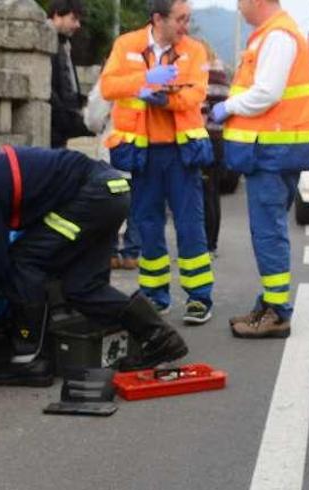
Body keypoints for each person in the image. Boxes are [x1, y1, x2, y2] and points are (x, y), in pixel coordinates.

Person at [0, 146, 189, 387]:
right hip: (113, 189)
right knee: (83, 287)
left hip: (93, 194)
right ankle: (160, 339)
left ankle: (30, 360)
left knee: (24, 260)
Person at [98, 0, 216, 325]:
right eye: (180, 19)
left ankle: (199, 298)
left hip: (181, 153)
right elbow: (109, 87)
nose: (185, 26)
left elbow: (195, 94)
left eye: (188, 19)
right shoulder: (127, 45)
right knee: (148, 226)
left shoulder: (194, 50)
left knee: (190, 225)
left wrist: (163, 98)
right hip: (143, 153)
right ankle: (155, 296)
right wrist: (146, 78)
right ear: (158, 19)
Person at [209, 0, 309, 339]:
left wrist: (225, 107)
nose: (239, 7)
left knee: (268, 232)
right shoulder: (271, 35)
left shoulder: (278, 36)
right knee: (269, 230)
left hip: (273, 151)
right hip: (274, 149)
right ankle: (270, 303)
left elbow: (266, 93)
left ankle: (277, 312)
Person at [83, 81, 141, 270]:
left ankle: (110, 251)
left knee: (111, 202)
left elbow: (94, 117)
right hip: (143, 147)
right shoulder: (151, 67)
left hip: (114, 148)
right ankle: (132, 252)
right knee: (138, 203)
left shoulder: (112, 76)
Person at [196, 39, 229, 256]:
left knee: (205, 192)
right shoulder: (222, 72)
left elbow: (200, 106)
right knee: (212, 191)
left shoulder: (206, 72)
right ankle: (212, 242)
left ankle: (207, 243)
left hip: (205, 136)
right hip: (219, 137)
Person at [48, 0, 92, 148]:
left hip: (61, 125)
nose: (77, 25)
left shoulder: (64, 44)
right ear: (57, 16)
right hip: (52, 125)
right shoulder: (48, 43)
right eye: (73, 19)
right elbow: (50, 88)